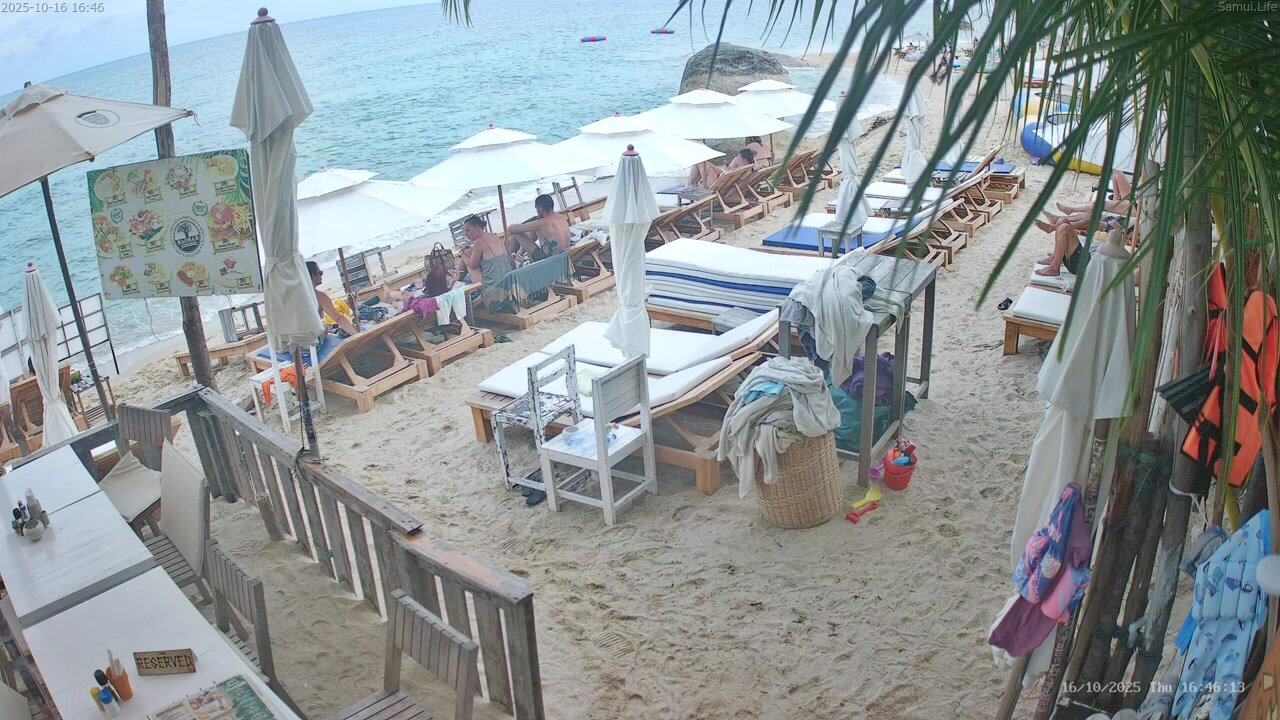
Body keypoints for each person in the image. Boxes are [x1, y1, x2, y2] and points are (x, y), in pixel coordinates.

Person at [506, 194, 572, 260]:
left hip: (550, 259)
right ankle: (520, 253)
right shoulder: (561, 217)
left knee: (516, 233)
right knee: (536, 230)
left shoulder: (541, 223)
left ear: (540, 209)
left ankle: (511, 259)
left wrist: (515, 225)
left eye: (536, 209)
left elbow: (511, 229)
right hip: (565, 254)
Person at [458, 214, 512, 291]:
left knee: (466, 255)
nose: (466, 234)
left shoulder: (479, 242)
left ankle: (456, 279)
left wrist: (461, 253)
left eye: (468, 230)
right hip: (508, 282)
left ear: (477, 227)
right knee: (468, 252)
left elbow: (472, 266)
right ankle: (457, 278)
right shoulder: (494, 236)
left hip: (493, 287)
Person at [306, 261, 360, 336]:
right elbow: (338, 318)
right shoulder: (319, 296)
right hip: (311, 339)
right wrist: (357, 335)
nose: (321, 276)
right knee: (324, 326)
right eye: (320, 273)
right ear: (312, 275)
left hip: (294, 338)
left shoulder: (296, 296)